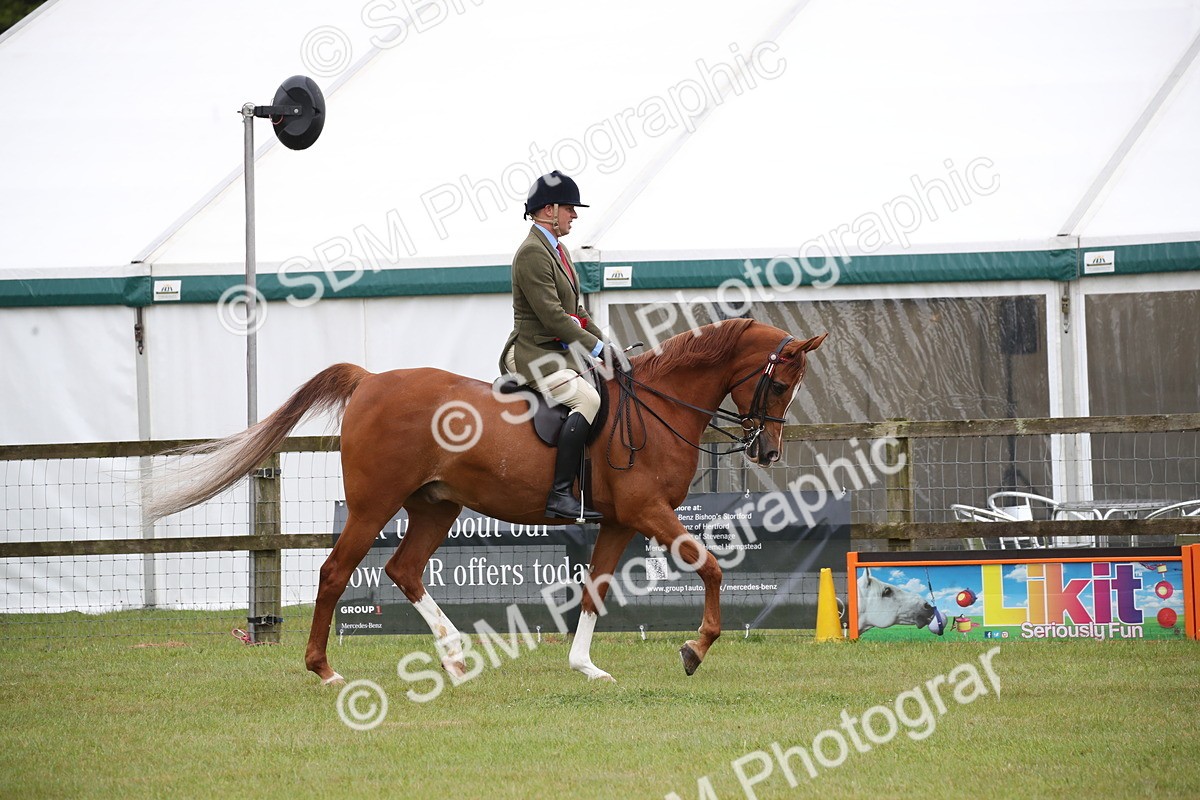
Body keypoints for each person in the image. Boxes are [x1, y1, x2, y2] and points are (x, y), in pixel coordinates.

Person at [499, 171, 607, 521]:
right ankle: (561, 494)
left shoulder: (559, 251)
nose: (574, 215)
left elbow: (577, 312)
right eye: (570, 208)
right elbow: (554, 319)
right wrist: (597, 351)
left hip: (555, 352)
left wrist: (610, 347)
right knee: (587, 398)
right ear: (549, 210)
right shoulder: (532, 253)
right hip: (531, 352)